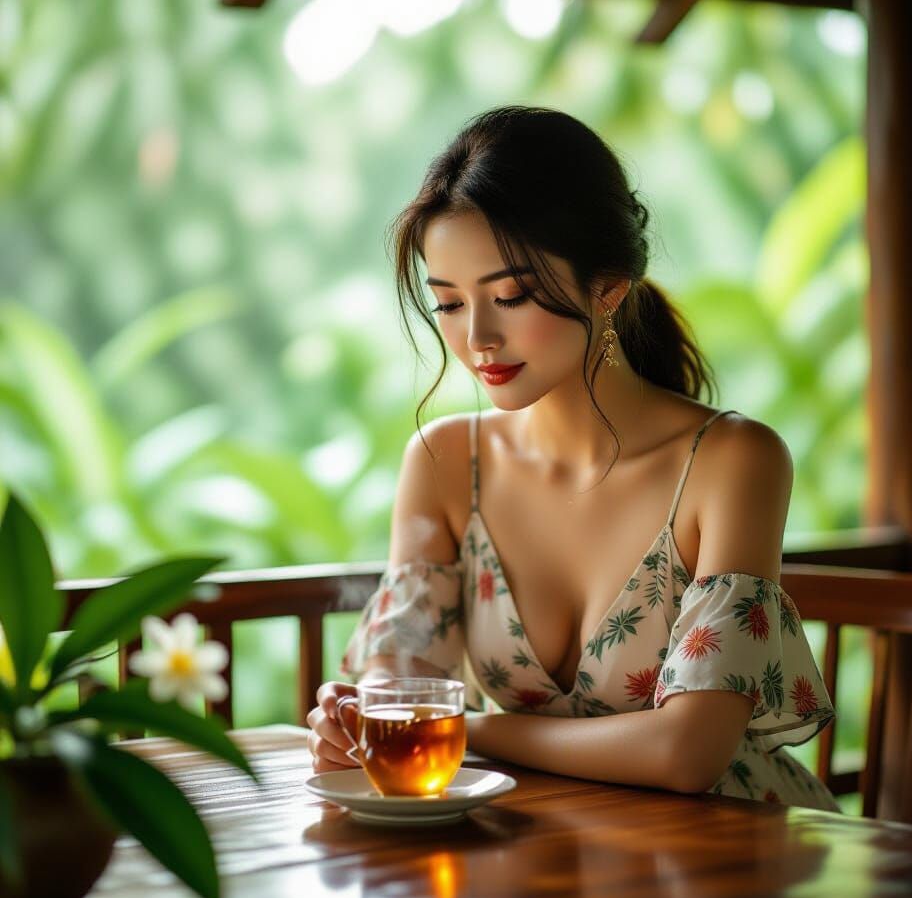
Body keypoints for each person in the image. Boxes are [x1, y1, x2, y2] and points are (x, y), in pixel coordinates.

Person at [306, 105, 839, 810]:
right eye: (450, 305)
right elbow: (402, 674)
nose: (479, 339)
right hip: (550, 850)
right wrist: (360, 716)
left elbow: (689, 752)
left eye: (510, 295)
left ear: (609, 285)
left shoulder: (732, 460)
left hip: (726, 854)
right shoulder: (443, 461)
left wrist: (467, 732)